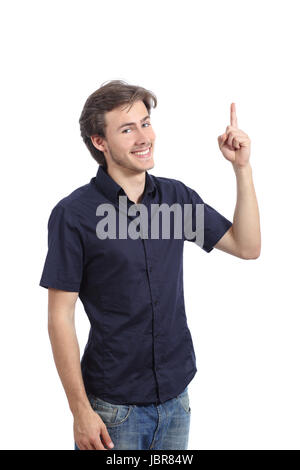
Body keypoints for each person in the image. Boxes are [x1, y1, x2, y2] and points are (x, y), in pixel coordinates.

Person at [39, 80, 261, 451]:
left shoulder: (175, 200)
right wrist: (80, 411)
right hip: (113, 411)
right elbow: (59, 317)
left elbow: (247, 246)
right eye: (127, 129)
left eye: (146, 123)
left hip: (177, 400)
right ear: (100, 142)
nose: (144, 137)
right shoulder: (73, 215)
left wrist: (242, 168)